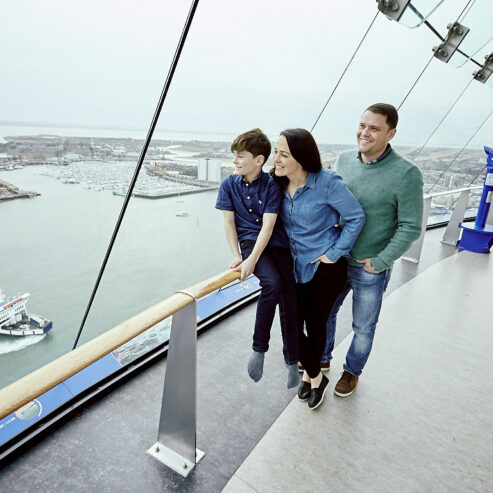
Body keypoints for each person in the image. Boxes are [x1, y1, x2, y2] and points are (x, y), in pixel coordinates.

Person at [321, 103, 424, 397]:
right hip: (336, 259)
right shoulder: (343, 160)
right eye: (362, 125)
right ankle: (322, 357)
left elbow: (410, 226)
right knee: (325, 314)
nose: (364, 133)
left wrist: (380, 261)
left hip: (369, 267)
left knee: (363, 327)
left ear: (390, 133)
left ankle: (352, 372)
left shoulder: (406, 174)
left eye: (374, 128)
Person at [273, 128, 365, 409]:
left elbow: (355, 217)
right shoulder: (274, 183)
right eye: (276, 152)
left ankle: (311, 379)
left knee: (315, 325)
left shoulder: (328, 183)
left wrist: (333, 254)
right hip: (291, 268)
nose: (276, 159)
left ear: (300, 158)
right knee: (290, 326)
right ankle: (316, 376)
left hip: (324, 270)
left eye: (283, 154)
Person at [215, 128, 300, 389]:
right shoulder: (229, 185)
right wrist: (240, 257)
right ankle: (259, 349)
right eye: (235, 157)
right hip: (251, 243)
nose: (235, 162)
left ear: (259, 159)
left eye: (241, 156)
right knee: (272, 284)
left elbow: (269, 225)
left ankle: (292, 361)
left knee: (291, 298)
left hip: (275, 242)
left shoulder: (272, 185)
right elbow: (229, 223)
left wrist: (252, 261)